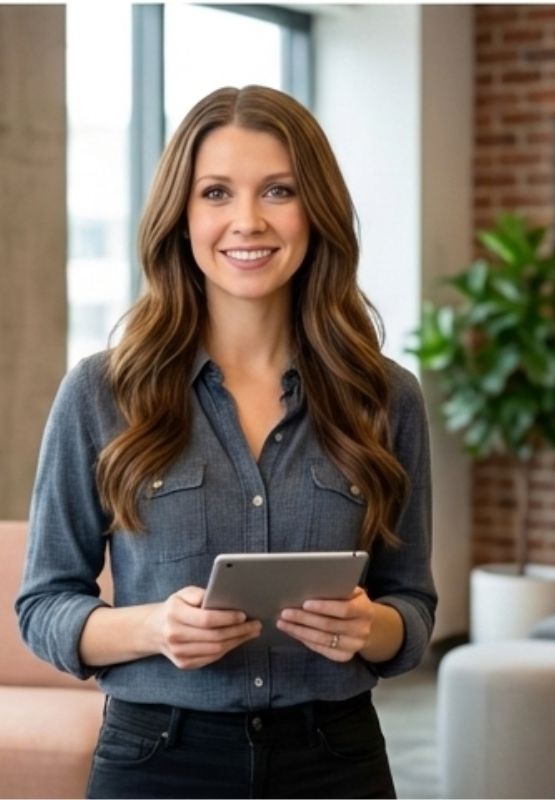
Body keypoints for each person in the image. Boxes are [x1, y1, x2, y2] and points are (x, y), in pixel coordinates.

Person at [15, 85, 436, 800]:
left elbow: (414, 611)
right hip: (157, 759)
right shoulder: (99, 393)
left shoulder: (387, 397)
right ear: (181, 217)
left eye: (278, 190)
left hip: (336, 758)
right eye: (216, 192)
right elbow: (44, 606)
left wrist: (371, 627)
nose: (247, 221)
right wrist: (153, 627)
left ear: (317, 213)